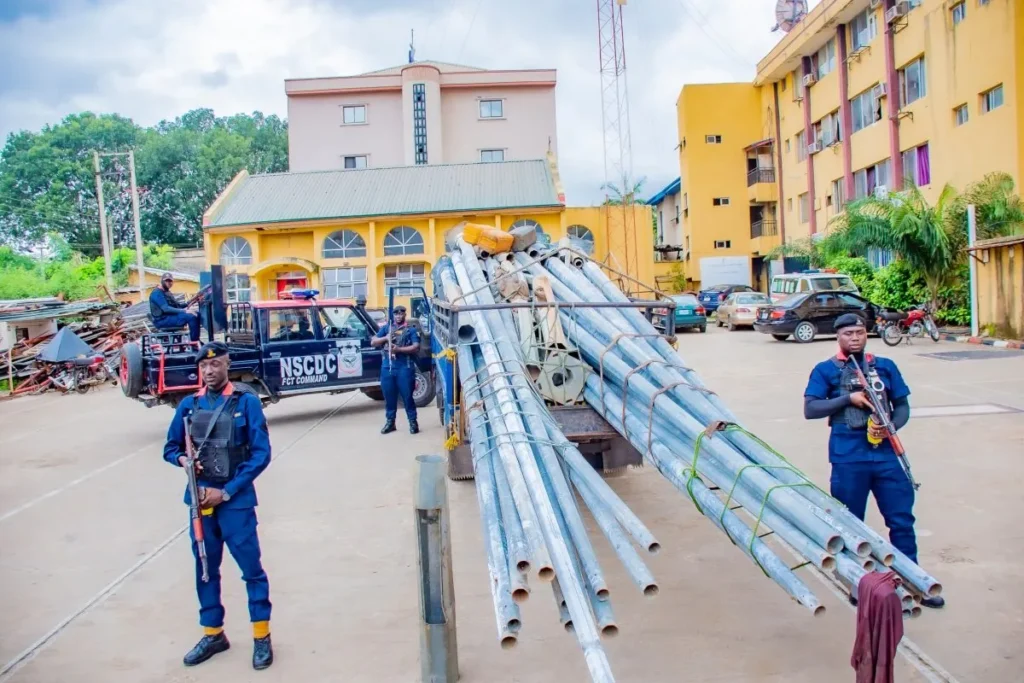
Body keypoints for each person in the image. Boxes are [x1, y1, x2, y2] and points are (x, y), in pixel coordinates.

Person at [803, 314, 944, 608]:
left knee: (901, 520)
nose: (855, 338)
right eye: (848, 334)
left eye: (860, 333)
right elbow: (811, 408)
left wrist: (891, 425)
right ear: (838, 337)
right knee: (851, 524)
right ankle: (859, 582)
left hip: (886, 455)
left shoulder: (885, 367)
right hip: (848, 457)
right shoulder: (825, 370)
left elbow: (902, 405)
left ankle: (914, 580)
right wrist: (847, 400)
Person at [162, 341, 276, 669]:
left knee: (251, 570)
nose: (209, 371)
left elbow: (261, 454)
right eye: (204, 367)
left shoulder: (247, 402)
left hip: (235, 503)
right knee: (206, 569)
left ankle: (261, 636)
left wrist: (226, 492)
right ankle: (214, 634)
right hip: (199, 503)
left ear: (227, 365)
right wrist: (183, 459)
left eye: (215, 365)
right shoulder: (188, 406)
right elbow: (169, 447)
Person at [370, 304, 420, 435]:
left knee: (407, 397)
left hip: (404, 365)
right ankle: (390, 422)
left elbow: (415, 347)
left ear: (404, 315)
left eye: (401, 313)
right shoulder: (387, 328)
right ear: (393, 315)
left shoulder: (410, 330)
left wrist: (399, 349)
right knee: (389, 396)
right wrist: (385, 338)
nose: (398, 316)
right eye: (396, 314)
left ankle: (413, 422)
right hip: (388, 365)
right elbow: (373, 341)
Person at [150, 272, 200, 342]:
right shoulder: (157, 293)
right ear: (162, 281)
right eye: (166, 281)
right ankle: (195, 342)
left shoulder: (167, 292)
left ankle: (197, 340)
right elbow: (166, 309)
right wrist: (185, 311)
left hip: (170, 317)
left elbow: (178, 306)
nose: (168, 283)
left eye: (170, 281)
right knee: (191, 316)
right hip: (162, 320)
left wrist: (192, 301)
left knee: (197, 313)